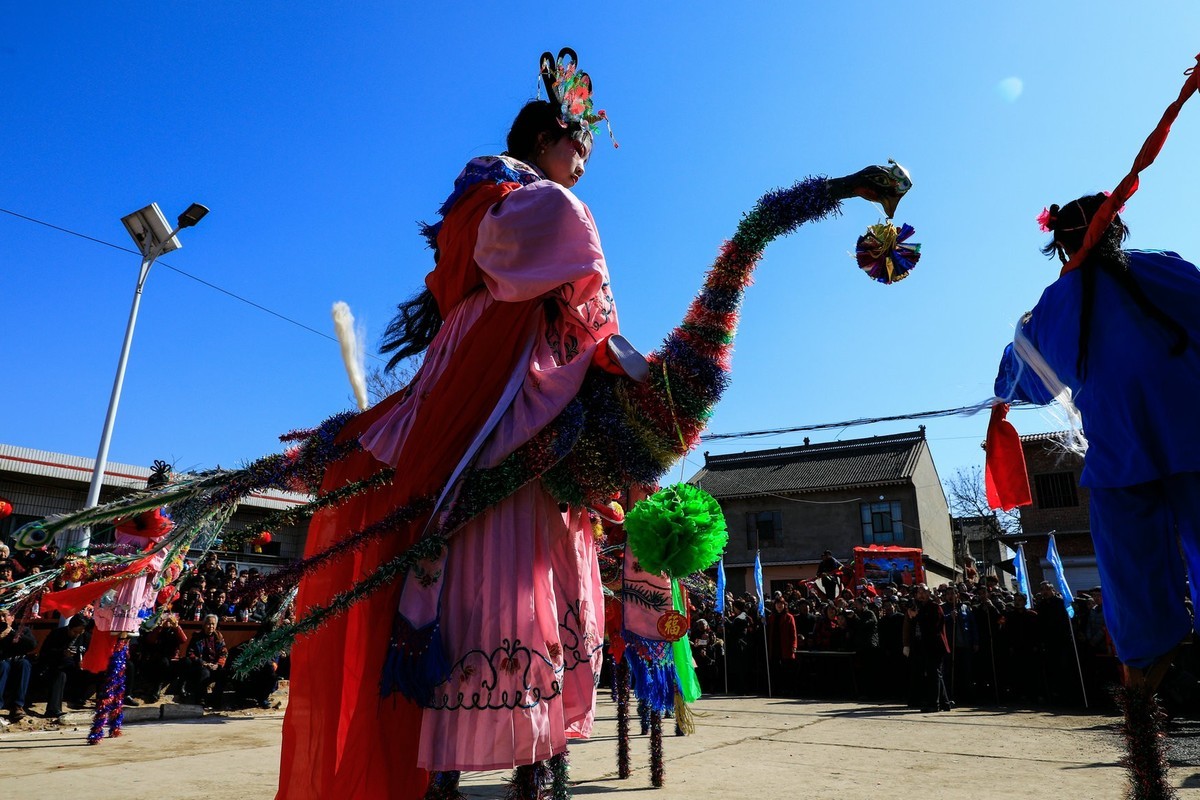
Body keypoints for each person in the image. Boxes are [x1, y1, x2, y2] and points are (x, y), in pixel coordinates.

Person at [994, 193, 1200, 689]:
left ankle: (1142, 707)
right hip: (1189, 438)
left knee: (1133, 584)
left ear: (1062, 247)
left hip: (1120, 456)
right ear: (1117, 231)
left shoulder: (1053, 307)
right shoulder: (1168, 269)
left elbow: (1016, 380)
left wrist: (1021, 335)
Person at [181, 614, 227, 706]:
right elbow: (190, 653)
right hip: (201, 665)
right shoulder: (197, 637)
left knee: (223, 673)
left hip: (214, 665)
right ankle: (201, 699)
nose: (211, 626)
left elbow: (224, 652)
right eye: (209, 624)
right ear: (204, 625)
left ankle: (216, 699)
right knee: (205, 673)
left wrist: (218, 664)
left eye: (213, 624)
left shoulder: (219, 637)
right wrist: (204, 663)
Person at [0, 608, 36, 720]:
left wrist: (12, 633)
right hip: (3, 661)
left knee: (24, 664)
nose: (2, 619)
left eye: (5, 616)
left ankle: (18, 705)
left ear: (13, 617)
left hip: (17, 661)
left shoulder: (21, 630)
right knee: (3, 666)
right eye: (0, 616)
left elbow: (32, 644)